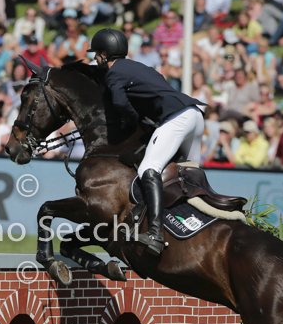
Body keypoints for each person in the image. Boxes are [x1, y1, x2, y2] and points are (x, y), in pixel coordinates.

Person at [87, 28, 205, 255]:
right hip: (195, 114)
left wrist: (135, 120)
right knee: (190, 174)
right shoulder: (139, 67)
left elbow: (120, 104)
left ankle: (155, 234)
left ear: (104, 54)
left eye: (97, 54)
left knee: (148, 169)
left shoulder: (114, 73)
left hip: (177, 118)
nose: (96, 58)